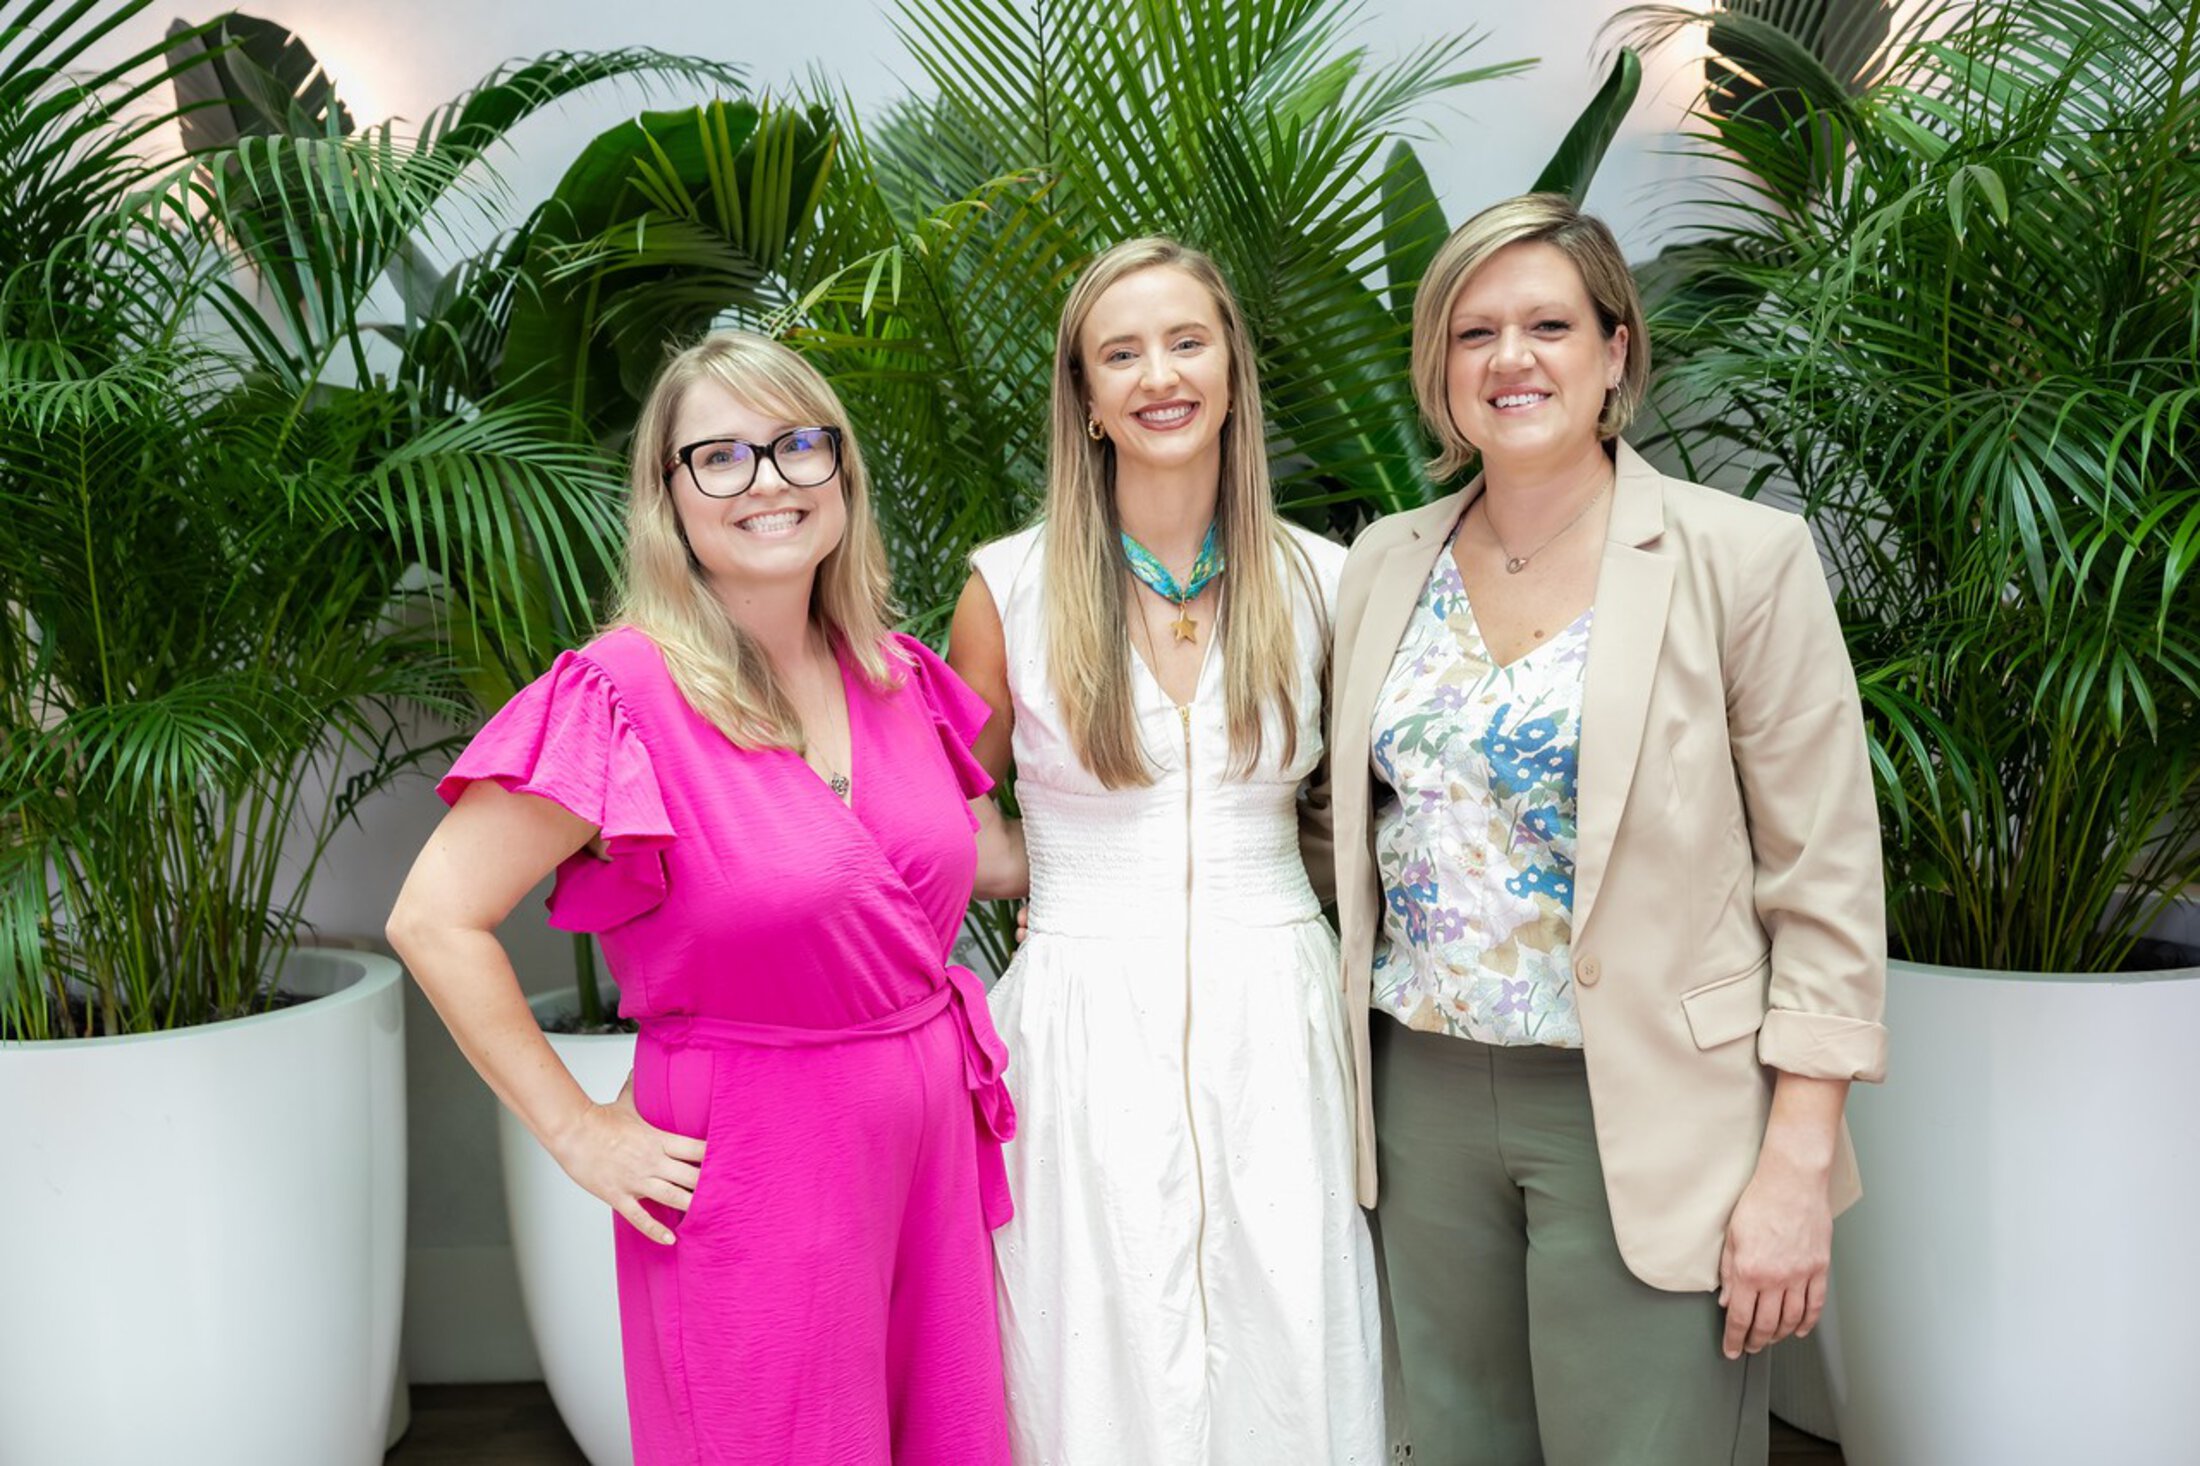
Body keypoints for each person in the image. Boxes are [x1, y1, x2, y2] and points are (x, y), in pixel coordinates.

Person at [386, 331, 1026, 1464]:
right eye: (719, 456)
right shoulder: (620, 695)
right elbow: (434, 916)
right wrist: (578, 1131)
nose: (767, 480)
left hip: (925, 1137)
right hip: (759, 1152)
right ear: (668, 498)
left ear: (841, 471)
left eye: (795, 445)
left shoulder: (893, 672)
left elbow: (969, 858)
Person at [1326, 191, 1890, 1464]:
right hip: (1420, 1099)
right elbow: (1346, 824)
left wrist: (1798, 1159)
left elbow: (1827, 880)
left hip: (1650, 1104)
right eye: (1473, 332)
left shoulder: (1738, 557)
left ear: (1614, 349)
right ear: (1439, 367)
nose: (1510, 359)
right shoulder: (1381, 563)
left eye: (1547, 326)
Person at [951, 237, 1385, 1464]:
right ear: (1085, 399)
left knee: (1289, 1336)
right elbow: (945, 809)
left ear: (1234, 372)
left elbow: (1353, 813)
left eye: (1187, 342)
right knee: (1096, 1338)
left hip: (1280, 1011)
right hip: (1083, 1018)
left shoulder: (1325, 578)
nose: (1159, 376)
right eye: (1121, 353)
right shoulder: (1010, 587)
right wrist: (1067, 875)